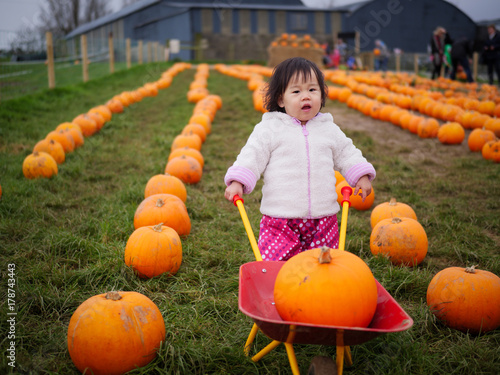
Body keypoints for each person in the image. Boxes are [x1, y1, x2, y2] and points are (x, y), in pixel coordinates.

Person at [224, 57, 376, 261]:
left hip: (323, 219)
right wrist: (237, 181)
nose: (306, 97)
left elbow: (347, 152)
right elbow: (252, 155)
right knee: (279, 268)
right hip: (281, 218)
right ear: (280, 99)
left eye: (313, 90)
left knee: (321, 268)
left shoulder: (328, 129)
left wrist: (360, 175)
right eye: (296, 92)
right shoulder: (270, 128)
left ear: (321, 94)